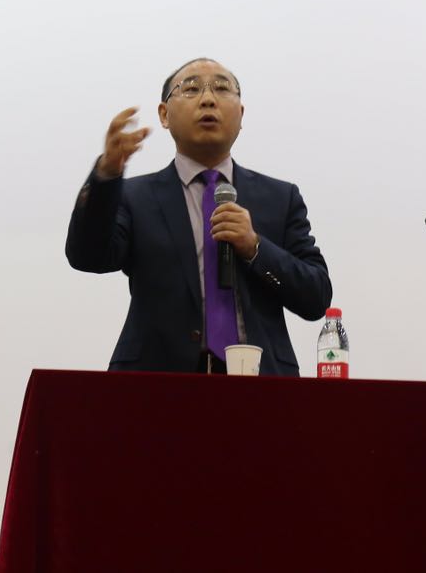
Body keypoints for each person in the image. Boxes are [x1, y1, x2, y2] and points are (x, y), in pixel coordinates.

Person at [65, 57, 332, 375]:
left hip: (258, 383)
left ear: (241, 114)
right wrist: (106, 175)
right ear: (164, 114)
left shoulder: (280, 198)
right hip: (156, 383)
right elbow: (88, 257)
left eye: (222, 88)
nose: (208, 99)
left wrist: (256, 247)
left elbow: (316, 297)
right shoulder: (134, 197)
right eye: (191, 89)